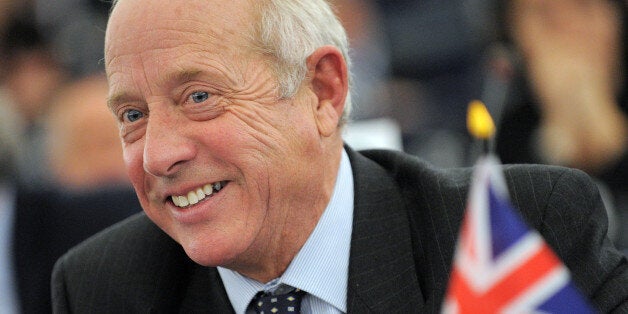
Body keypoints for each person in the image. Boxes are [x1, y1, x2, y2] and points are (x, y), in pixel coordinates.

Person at [52, 0, 628, 313]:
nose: (157, 155)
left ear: (322, 91)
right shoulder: (103, 286)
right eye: (132, 115)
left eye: (199, 97)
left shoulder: (516, 230)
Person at [495, 0, 628, 250]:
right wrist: (553, 144)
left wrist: (613, 142)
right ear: (514, 34)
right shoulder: (497, 138)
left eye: (584, 7)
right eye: (546, 17)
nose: (569, 30)